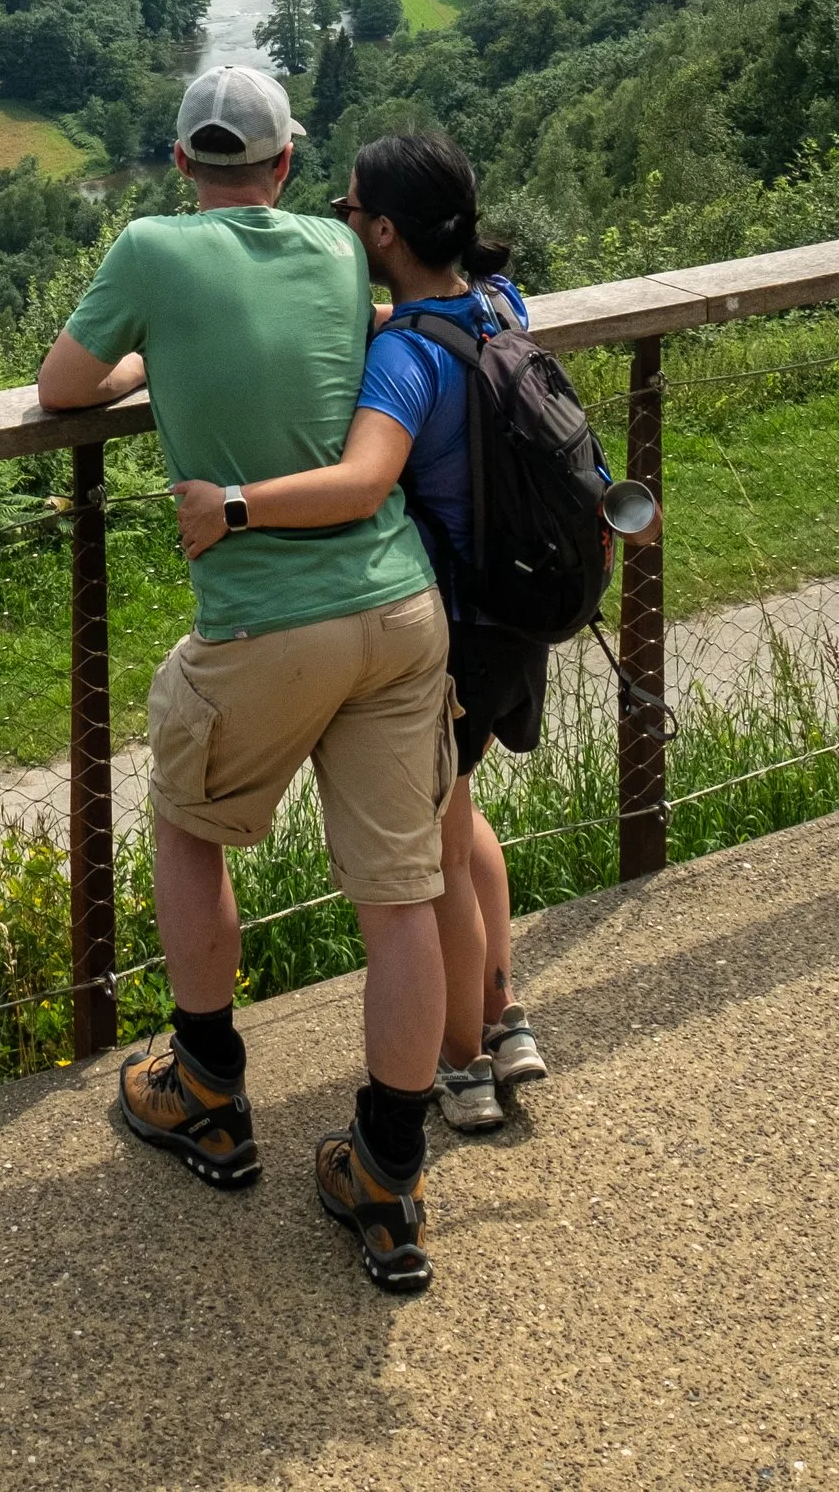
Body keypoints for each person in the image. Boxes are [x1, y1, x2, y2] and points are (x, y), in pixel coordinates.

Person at [36, 63, 456, 1297]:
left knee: (189, 825)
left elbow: (63, 389)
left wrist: (144, 371)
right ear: (282, 167)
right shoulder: (337, 246)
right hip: (397, 606)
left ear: (182, 165)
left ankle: (206, 1092)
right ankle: (384, 1171)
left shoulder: (151, 250)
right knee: (399, 896)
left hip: (268, 620)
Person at [340, 128, 560, 1134]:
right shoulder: (498, 304)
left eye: (349, 213)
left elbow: (365, 477)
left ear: (382, 231)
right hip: (516, 610)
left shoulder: (399, 360)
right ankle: (505, 1015)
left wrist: (236, 506)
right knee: (463, 819)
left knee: (432, 851)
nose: (343, 223)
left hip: (448, 631)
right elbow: (442, 324)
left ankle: (463, 1063)